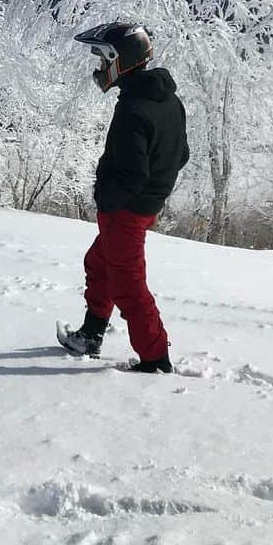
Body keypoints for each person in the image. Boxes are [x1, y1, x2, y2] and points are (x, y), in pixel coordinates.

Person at [58, 22, 189, 373]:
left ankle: (155, 359)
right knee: (98, 263)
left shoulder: (132, 109)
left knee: (128, 284)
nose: (99, 68)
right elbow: (182, 154)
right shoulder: (168, 99)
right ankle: (91, 334)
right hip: (144, 207)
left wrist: (107, 198)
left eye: (103, 61)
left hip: (126, 212)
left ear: (121, 61)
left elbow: (133, 173)